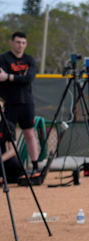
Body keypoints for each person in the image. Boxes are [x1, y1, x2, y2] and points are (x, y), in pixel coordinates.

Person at [0, 32, 40, 180]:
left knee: (29, 134)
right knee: (8, 139)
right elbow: (1, 78)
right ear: (11, 42)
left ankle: (35, 167)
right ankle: (7, 169)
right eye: (17, 42)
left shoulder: (29, 60)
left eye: (23, 43)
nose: (20, 45)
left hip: (26, 103)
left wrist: (9, 77)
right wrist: (17, 78)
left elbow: (28, 79)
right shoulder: (3, 59)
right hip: (9, 104)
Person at [0, 98, 23, 184]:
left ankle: (9, 179)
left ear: (3, 109)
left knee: (14, 162)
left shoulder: (8, 125)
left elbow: (13, 150)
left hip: (2, 159)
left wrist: (0, 159)